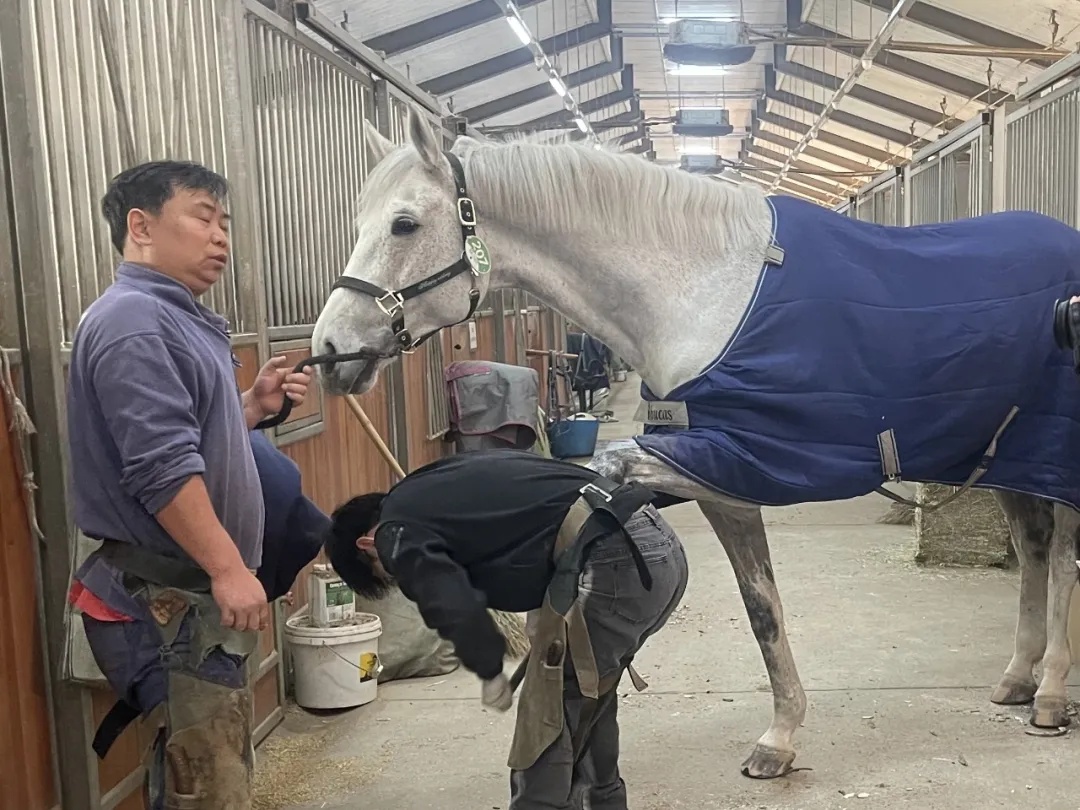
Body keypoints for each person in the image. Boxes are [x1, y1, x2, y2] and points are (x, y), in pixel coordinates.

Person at [65, 160, 312, 810]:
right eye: (203, 217)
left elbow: (185, 433)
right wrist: (230, 568)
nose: (221, 236)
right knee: (209, 787)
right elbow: (159, 466)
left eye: (225, 222)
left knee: (200, 772)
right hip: (165, 605)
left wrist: (250, 408)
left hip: (185, 600)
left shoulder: (173, 318)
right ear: (141, 226)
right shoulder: (135, 323)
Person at [323, 448, 689, 810]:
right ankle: (602, 801)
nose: (395, 573)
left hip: (612, 556)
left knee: (549, 712)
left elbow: (447, 597)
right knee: (590, 695)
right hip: (653, 541)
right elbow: (531, 515)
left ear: (367, 544)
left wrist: (488, 667)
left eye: (383, 570)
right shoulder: (428, 486)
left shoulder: (394, 530)